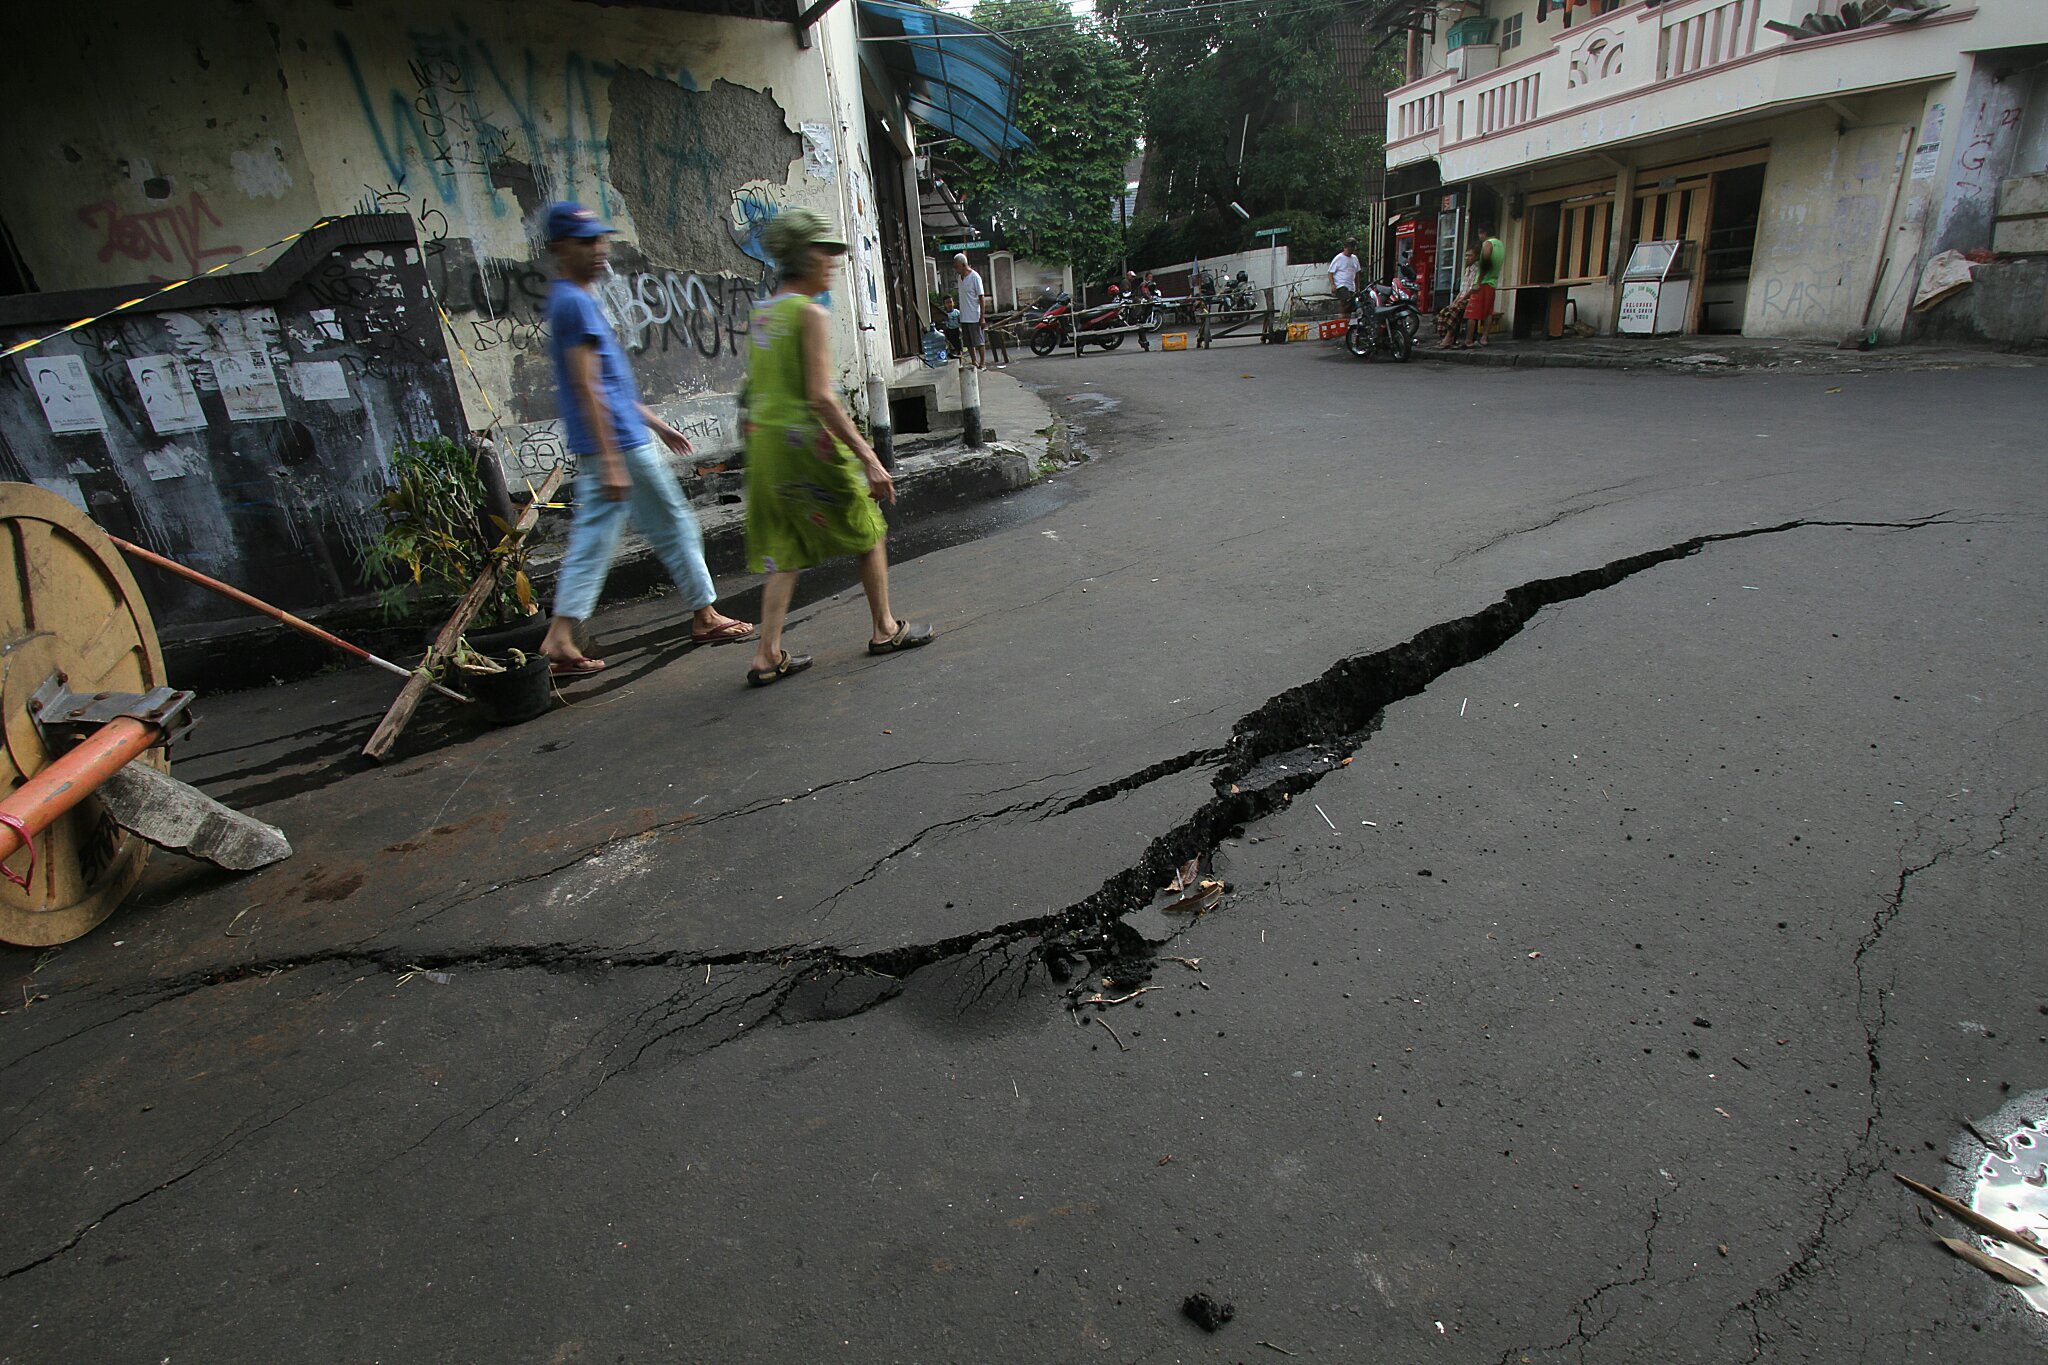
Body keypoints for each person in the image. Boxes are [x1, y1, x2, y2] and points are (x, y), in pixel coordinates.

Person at [536, 202, 754, 676]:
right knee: (675, 526)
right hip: (618, 446)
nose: (599, 250)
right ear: (558, 249)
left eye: (600, 239)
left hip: (618, 440)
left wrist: (656, 423)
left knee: (594, 539)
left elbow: (607, 384)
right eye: (585, 242)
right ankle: (706, 616)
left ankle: (558, 637)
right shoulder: (574, 302)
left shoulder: (572, 299)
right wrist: (614, 458)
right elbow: (586, 384)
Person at [742, 207, 933, 687]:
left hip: (767, 445)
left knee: (787, 545)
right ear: (802, 257)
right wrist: (869, 457)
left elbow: (756, 390)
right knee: (867, 527)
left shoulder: (762, 314)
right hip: (808, 443)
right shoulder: (808, 312)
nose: (831, 262)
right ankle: (885, 628)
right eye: (824, 253)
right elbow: (820, 396)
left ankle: (767, 654)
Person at [1456, 223, 1504, 349]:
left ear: (1484, 233)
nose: (1480, 237)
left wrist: (1478, 281)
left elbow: (1486, 262)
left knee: (1471, 313)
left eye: (1480, 234)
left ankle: (1468, 340)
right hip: (1492, 282)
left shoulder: (1488, 244)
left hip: (1483, 282)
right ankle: (1484, 338)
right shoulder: (1500, 244)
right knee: (1488, 312)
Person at [952, 254, 988, 370]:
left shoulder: (975, 277)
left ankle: (983, 363)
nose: (956, 270)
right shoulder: (959, 278)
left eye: (957, 267)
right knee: (968, 342)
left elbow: (981, 298)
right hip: (964, 315)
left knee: (978, 341)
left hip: (974, 314)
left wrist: (982, 317)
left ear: (963, 265)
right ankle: (974, 361)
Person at [1328, 239, 1363, 320]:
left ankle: (1345, 325)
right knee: (1346, 302)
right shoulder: (1339, 258)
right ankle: (1341, 322)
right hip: (1341, 285)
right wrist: (1332, 285)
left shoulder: (1354, 258)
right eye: (1350, 248)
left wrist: (1358, 287)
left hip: (1351, 287)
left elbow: (1357, 273)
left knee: (1349, 308)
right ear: (1345, 248)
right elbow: (1330, 272)